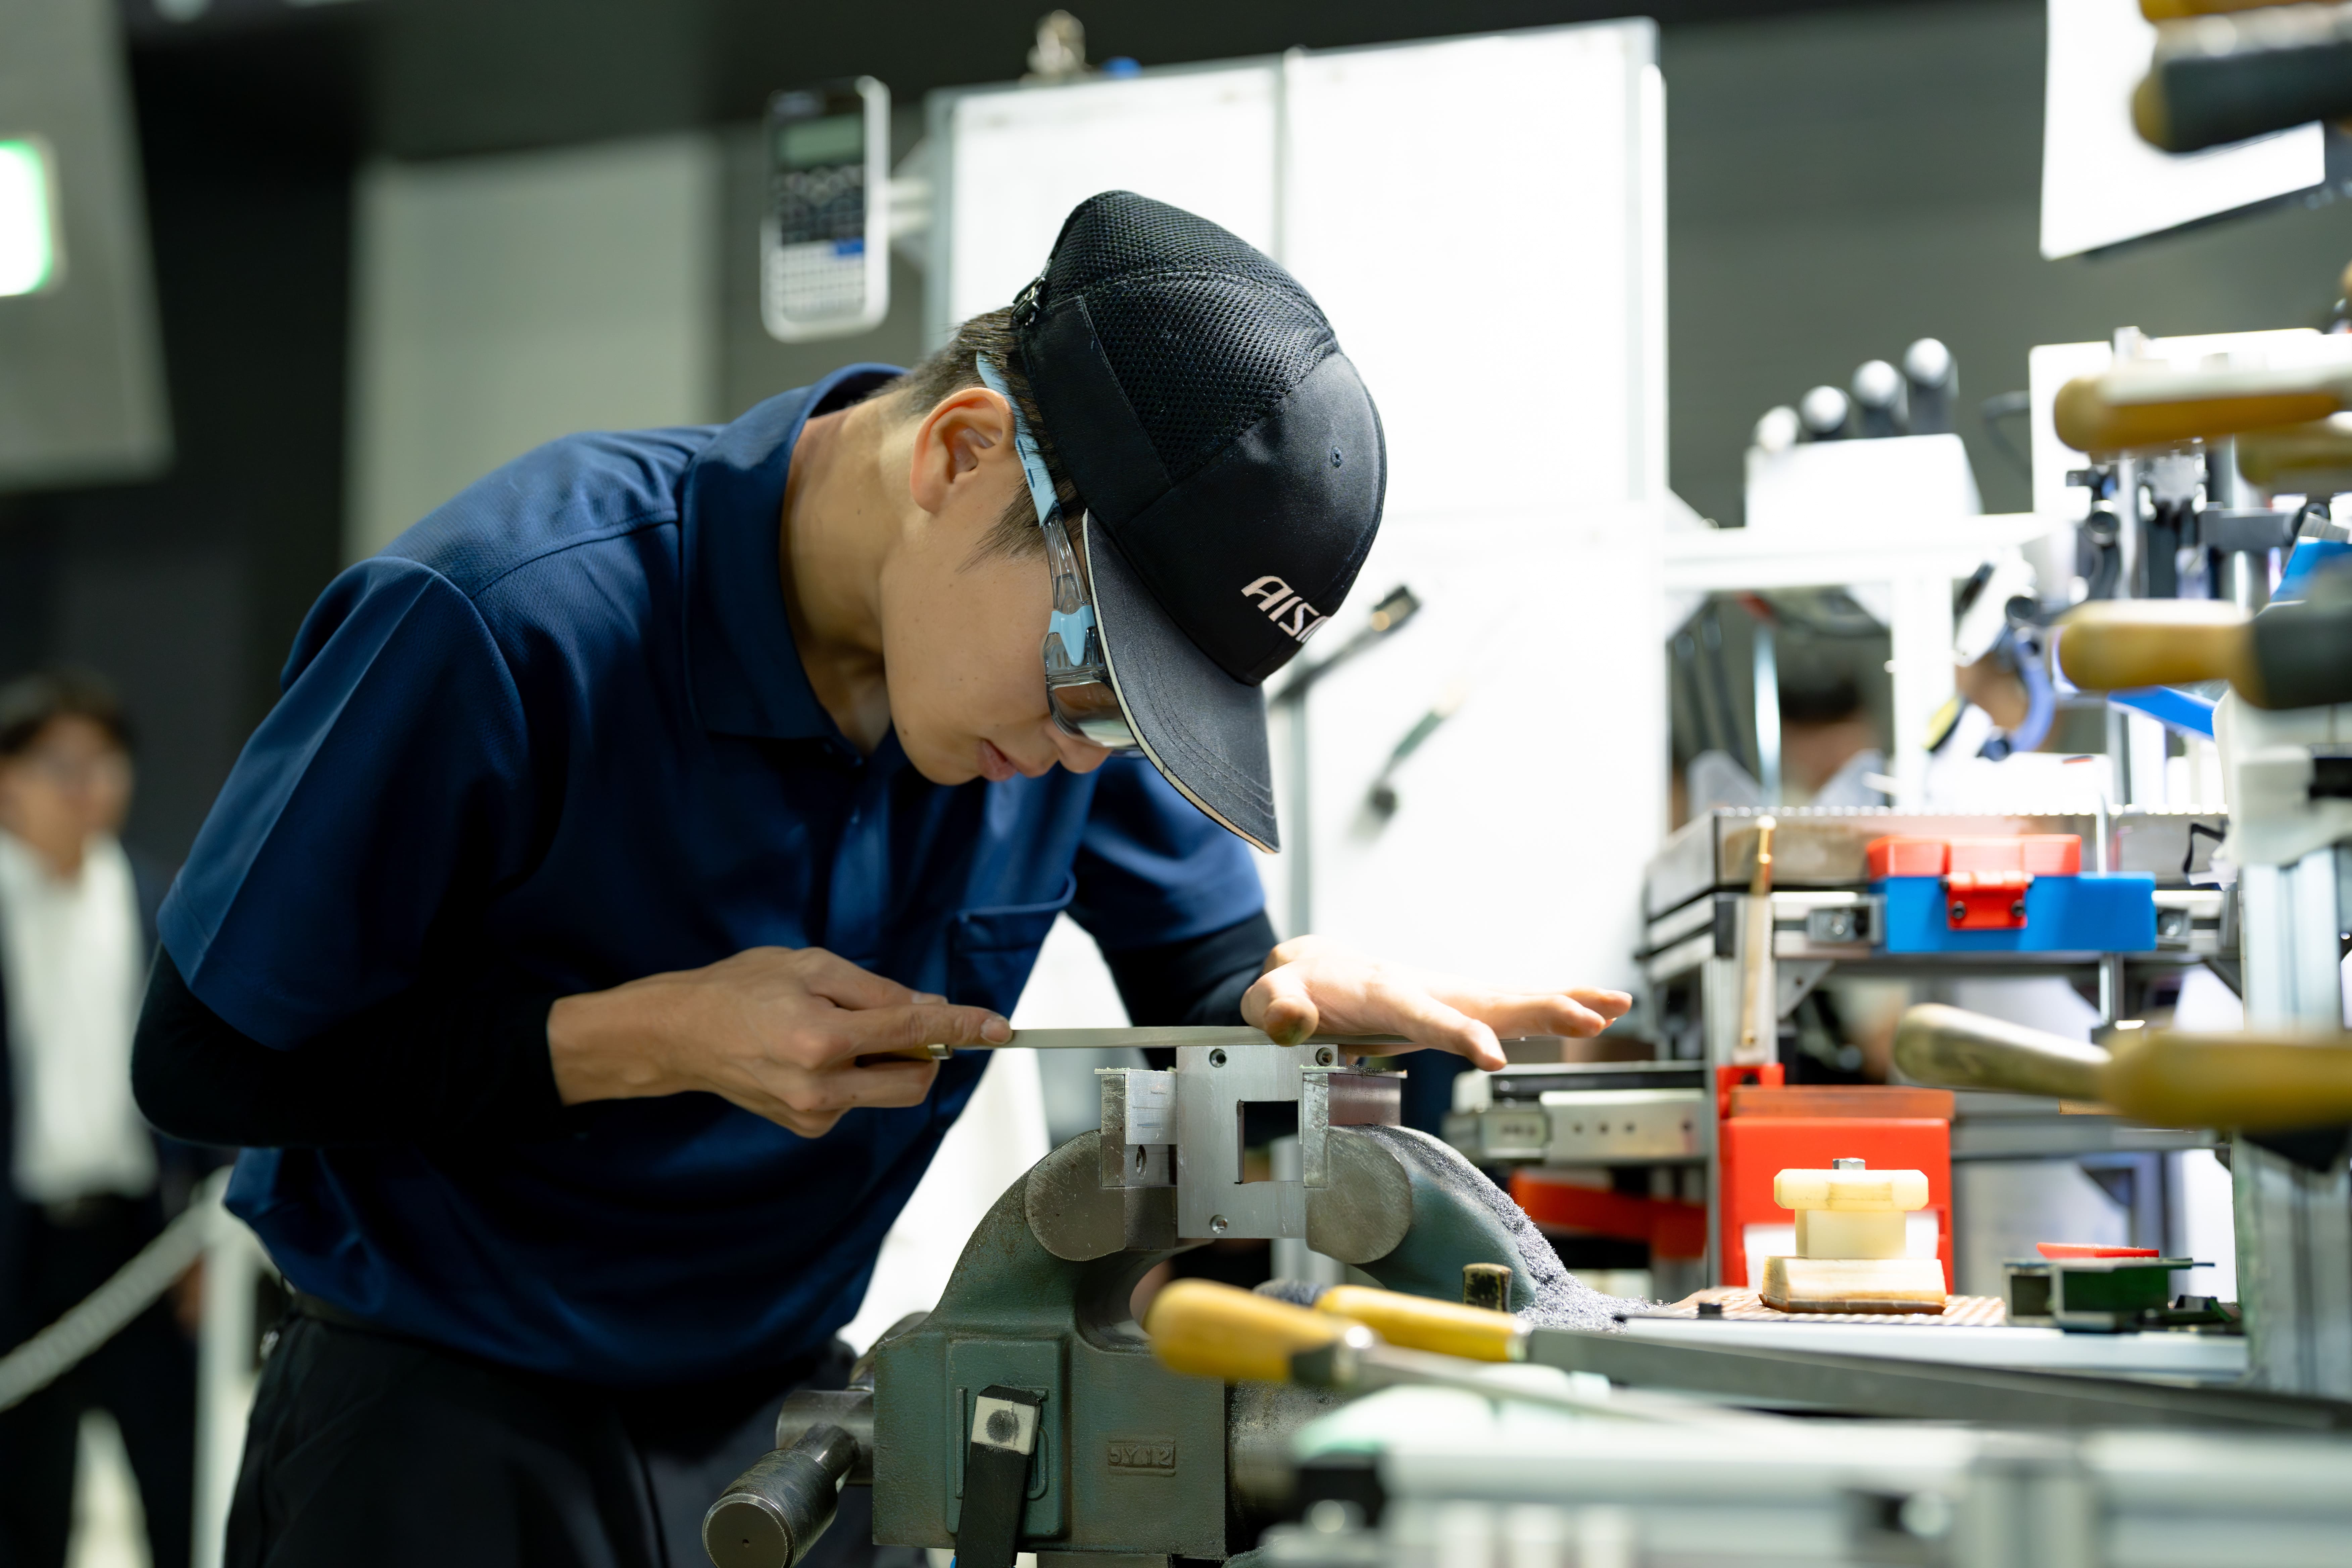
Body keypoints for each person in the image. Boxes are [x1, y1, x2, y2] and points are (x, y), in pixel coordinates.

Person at [130, 192, 1631, 1567]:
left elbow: (1195, 993)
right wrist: (655, 1036)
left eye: (1144, 723)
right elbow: (199, 1062)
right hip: (440, 1439)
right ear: (961, 456)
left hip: (788, 1419)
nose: (1085, 750)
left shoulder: (1051, 719)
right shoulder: (506, 621)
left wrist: (1283, 1016)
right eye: (1099, 680)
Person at [0, 669, 196, 1568]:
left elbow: (204, 1078)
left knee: (175, 1484)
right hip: (20, 1244)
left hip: (140, 1241)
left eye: (106, 762)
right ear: (8, 778)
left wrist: (201, 1233)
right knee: (27, 1497)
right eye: (60, 764)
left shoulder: (163, 903)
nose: (86, 785)